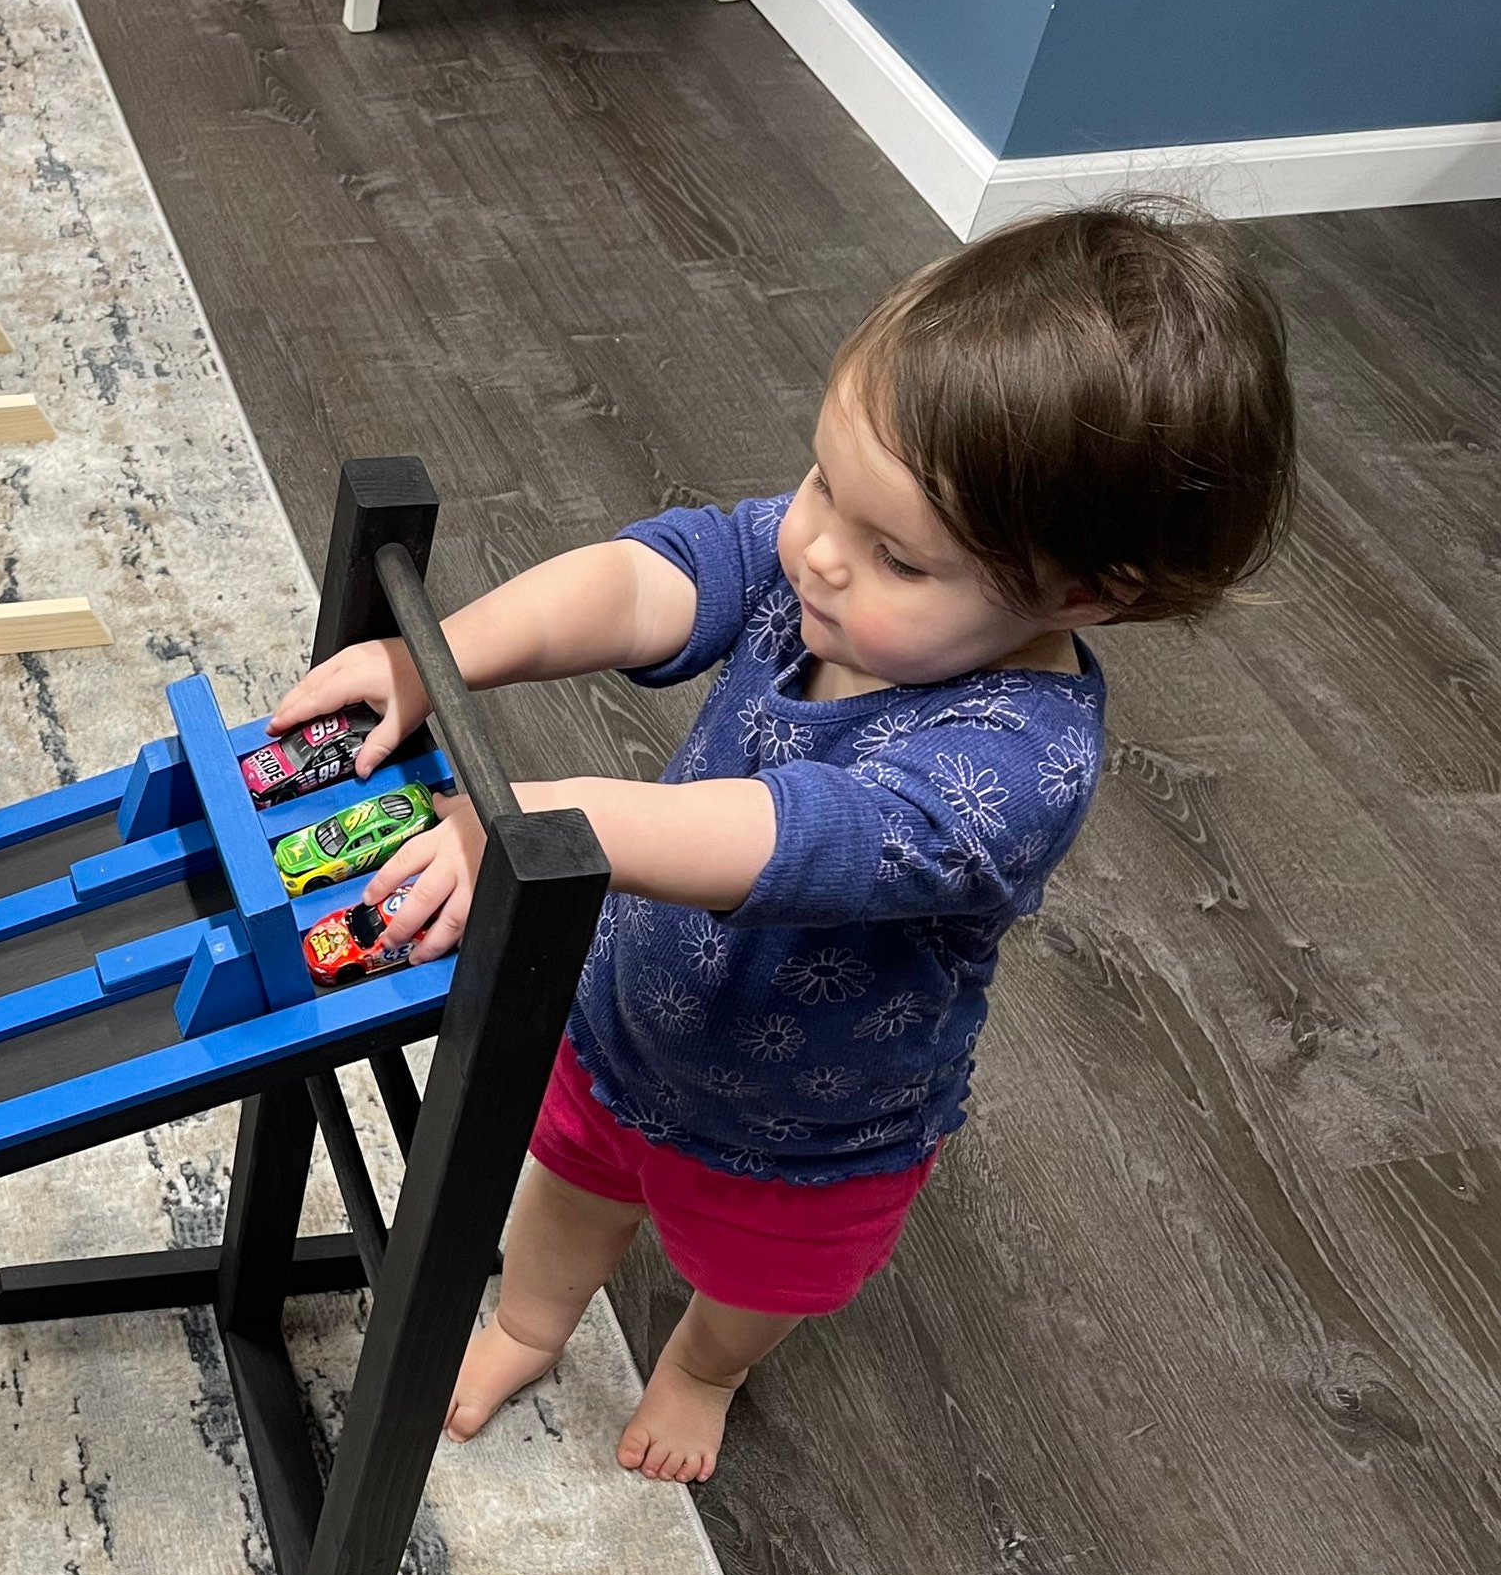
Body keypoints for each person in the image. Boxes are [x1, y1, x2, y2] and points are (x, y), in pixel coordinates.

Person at [268, 202, 1296, 1483]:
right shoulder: (824, 565)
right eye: (820, 481)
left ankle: (703, 1367)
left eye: (896, 558)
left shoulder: (1016, 767)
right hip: (626, 1015)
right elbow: (651, 580)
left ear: (1085, 594)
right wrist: (436, 662)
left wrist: (527, 822)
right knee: (567, 1187)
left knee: (756, 1277)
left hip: (810, 1124)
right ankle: (531, 1324)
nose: (813, 548)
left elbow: (775, 838)